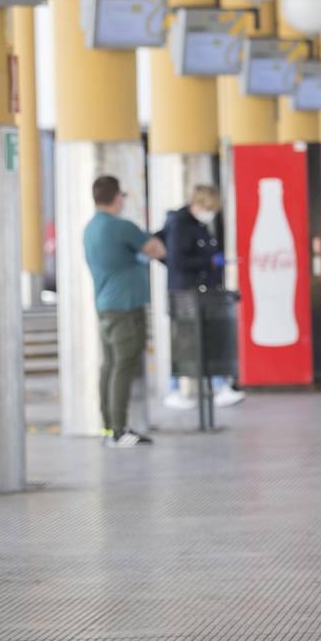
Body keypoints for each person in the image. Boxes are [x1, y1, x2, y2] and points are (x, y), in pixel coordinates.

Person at [83, 175, 166, 448]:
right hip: (126, 307)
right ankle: (119, 430)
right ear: (118, 197)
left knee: (109, 365)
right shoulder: (122, 227)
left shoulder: (91, 228)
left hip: (105, 306)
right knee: (123, 365)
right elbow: (157, 249)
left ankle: (109, 428)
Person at [161, 185, 244, 411]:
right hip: (186, 293)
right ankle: (174, 388)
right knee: (185, 339)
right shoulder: (180, 225)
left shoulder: (198, 225)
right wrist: (210, 263)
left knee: (208, 337)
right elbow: (177, 261)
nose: (211, 213)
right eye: (210, 208)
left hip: (202, 291)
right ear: (199, 204)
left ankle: (219, 385)